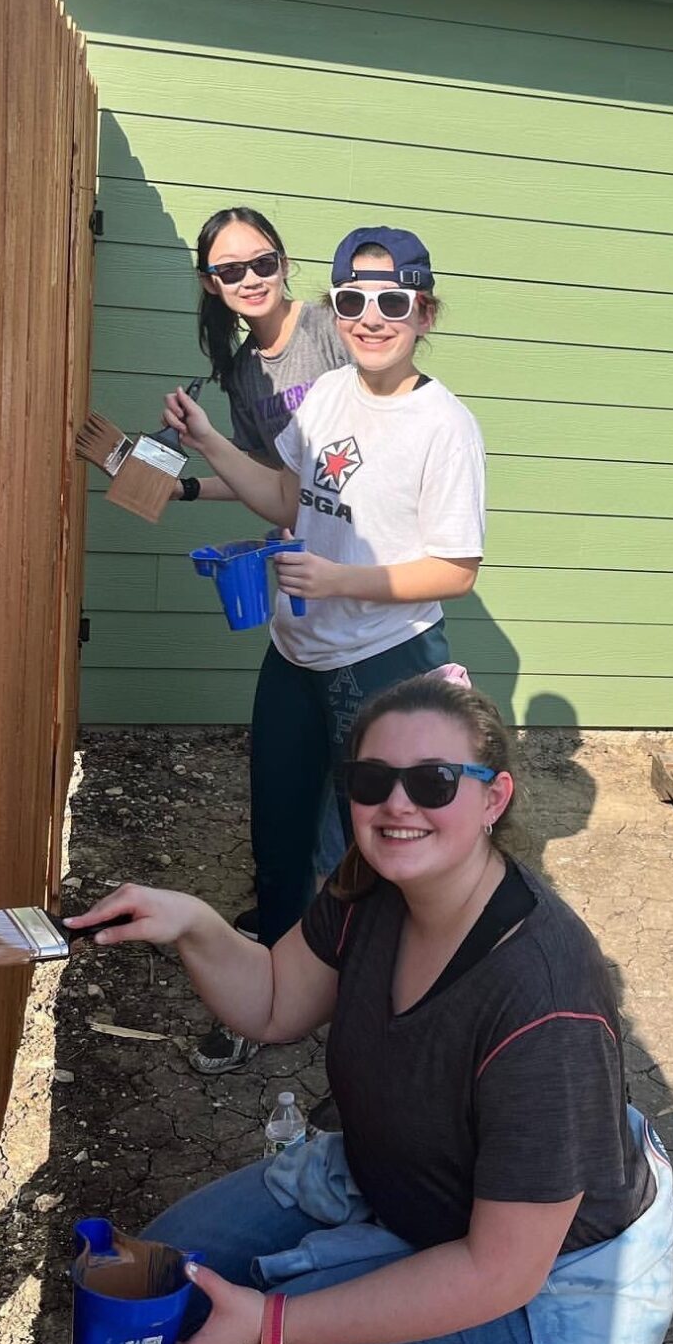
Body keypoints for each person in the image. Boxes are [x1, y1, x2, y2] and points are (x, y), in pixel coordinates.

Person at [67, 678, 673, 1344]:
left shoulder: (543, 999)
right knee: (150, 1277)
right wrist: (191, 923)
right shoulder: (371, 887)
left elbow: (498, 1272)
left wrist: (269, 1324)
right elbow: (271, 1000)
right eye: (371, 781)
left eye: (433, 782)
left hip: (542, 1289)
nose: (398, 805)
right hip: (396, 1189)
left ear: (494, 798)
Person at [162, 227, 486, 951]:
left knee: (377, 835)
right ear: (337, 312)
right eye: (353, 300)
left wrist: (342, 580)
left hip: (383, 660)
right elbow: (286, 498)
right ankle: (276, 972)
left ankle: (368, 975)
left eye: (392, 301)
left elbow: (455, 570)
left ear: (423, 314)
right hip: (297, 648)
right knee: (276, 821)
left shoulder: (445, 427)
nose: (372, 317)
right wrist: (210, 441)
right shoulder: (329, 395)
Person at [168, 206, 351, 1073]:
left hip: (368, 618)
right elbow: (270, 488)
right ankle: (271, 979)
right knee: (279, 815)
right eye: (229, 271)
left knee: (362, 825)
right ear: (211, 284)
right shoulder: (243, 374)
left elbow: (334, 482)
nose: (248, 280)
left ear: (286, 262)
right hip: (295, 619)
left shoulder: (334, 332)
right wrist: (176, 483)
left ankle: (372, 998)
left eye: (261, 262)